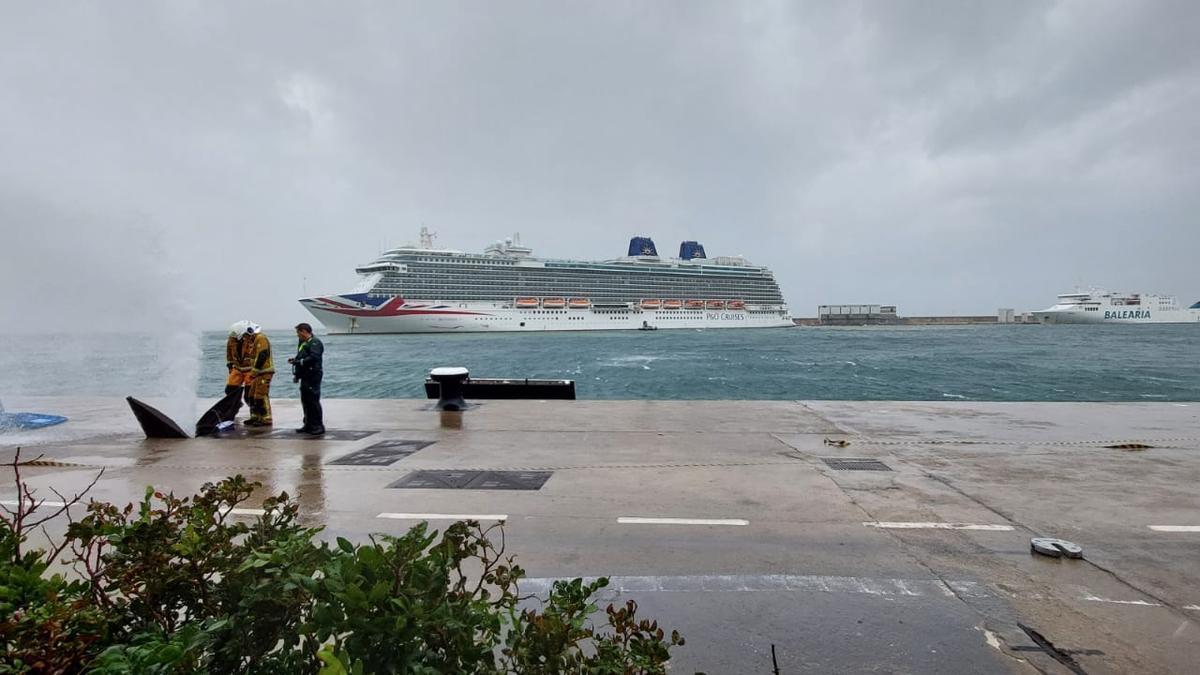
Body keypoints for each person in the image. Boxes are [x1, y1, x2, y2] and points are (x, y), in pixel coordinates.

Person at [288, 322, 324, 435]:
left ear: (304, 331)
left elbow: (314, 358)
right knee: (305, 401)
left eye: (298, 332)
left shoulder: (315, 342)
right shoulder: (303, 343)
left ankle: (318, 425)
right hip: (305, 375)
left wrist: (299, 362)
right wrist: (297, 373)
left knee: (313, 400)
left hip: (313, 375)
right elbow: (301, 356)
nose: (297, 335)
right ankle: (308, 424)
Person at [244, 323, 275, 427]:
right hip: (258, 373)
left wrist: (255, 370)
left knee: (260, 396)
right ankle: (255, 416)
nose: (246, 338)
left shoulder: (260, 339)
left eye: (246, 336)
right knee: (251, 396)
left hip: (264, 372)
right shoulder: (254, 341)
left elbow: (262, 354)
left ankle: (266, 418)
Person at [224, 320, 255, 418]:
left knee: (249, 395)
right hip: (237, 368)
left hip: (250, 369)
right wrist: (230, 364)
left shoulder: (252, 339)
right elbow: (229, 353)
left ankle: (254, 414)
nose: (233, 335)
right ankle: (235, 405)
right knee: (230, 389)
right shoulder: (231, 340)